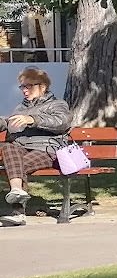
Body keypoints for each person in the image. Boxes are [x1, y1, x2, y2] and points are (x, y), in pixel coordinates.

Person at [2, 67, 73, 226]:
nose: (24, 90)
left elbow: (61, 122)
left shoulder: (57, 104)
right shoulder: (21, 108)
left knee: (16, 166)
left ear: (43, 86)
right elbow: (9, 122)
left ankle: (18, 213)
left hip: (46, 149)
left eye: (29, 86)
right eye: (22, 86)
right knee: (7, 148)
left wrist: (33, 120)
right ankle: (16, 190)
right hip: (21, 147)